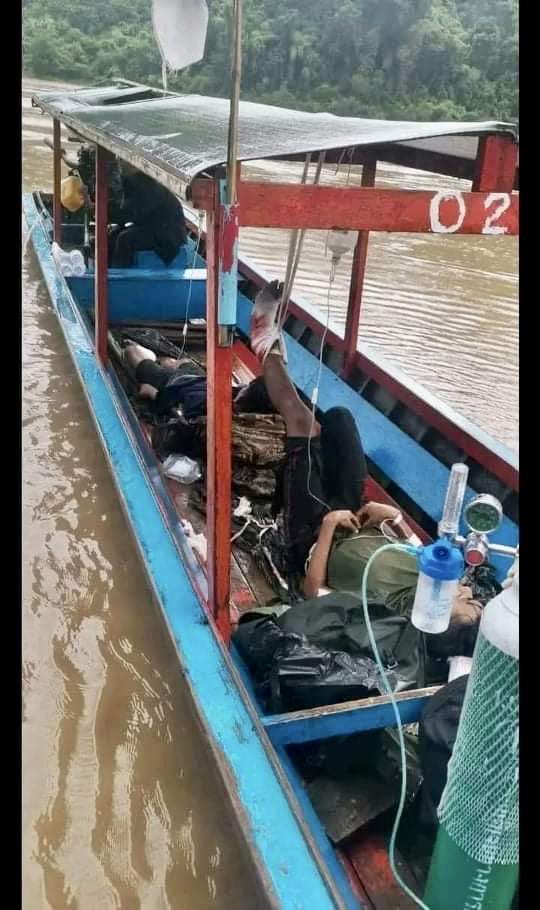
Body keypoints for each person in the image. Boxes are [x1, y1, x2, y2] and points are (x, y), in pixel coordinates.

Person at [109, 163, 188, 267]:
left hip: (168, 236)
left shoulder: (147, 184)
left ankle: (121, 278)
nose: (120, 164)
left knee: (124, 240)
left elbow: (132, 212)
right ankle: (108, 273)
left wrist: (106, 212)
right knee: (112, 234)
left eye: (122, 160)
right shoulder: (132, 181)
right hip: (153, 228)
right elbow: (126, 209)